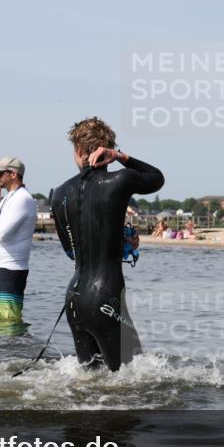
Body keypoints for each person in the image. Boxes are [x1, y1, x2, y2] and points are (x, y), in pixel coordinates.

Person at [51, 117, 164, 371]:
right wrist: (120, 156)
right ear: (107, 151)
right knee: (134, 379)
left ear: (79, 151)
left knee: (91, 386)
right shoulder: (119, 181)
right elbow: (156, 178)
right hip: (105, 297)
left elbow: (72, 251)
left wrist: (119, 241)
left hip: (74, 301)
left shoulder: (59, 194)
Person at [0, 156, 37, 323]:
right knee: (4, 317)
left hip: (11, 268)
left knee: (10, 319)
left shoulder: (22, 199)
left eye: (0, 172)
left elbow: (2, 234)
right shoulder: (7, 198)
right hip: (0, 266)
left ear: (13, 174)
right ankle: (8, 349)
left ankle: (15, 348)